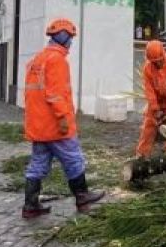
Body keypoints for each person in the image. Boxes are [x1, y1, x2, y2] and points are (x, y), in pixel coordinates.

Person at [21, 17, 106, 219]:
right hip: (55, 126)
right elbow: (55, 94)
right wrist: (62, 119)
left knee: (38, 164)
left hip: (38, 126)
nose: (71, 41)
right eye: (70, 37)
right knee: (73, 159)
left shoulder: (37, 59)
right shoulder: (57, 60)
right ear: (63, 37)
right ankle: (82, 196)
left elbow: (34, 94)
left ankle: (30, 206)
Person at [134, 40, 166, 159]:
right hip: (157, 103)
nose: (158, 64)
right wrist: (155, 109)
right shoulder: (148, 69)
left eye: (159, 61)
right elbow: (149, 91)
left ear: (164, 55)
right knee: (148, 127)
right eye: (155, 62)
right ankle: (141, 156)